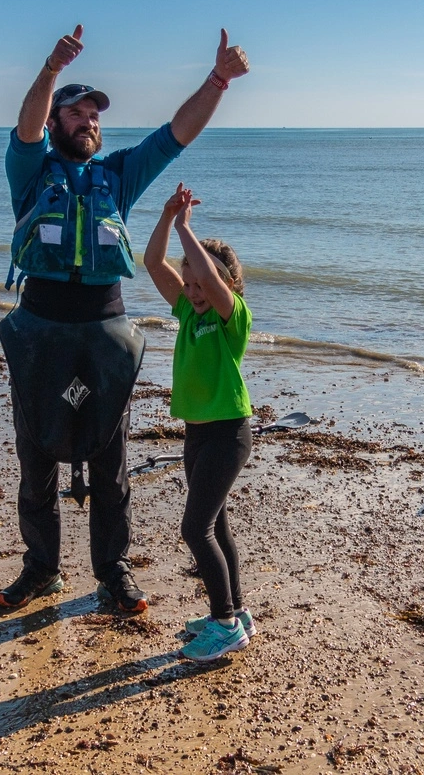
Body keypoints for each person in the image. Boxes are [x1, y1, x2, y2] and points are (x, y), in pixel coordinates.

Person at [0, 25, 250, 615]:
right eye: (77, 113)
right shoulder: (30, 171)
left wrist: (219, 80)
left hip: (103, 332)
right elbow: (27, 125)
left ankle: (112, 570)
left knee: (109, 463)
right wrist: (52, 67)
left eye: (94, 115)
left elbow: (175, 136)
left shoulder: (117, 176)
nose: (88, 121)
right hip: (40, 330)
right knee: (36, 459)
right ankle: (41, 568)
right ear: (57, 122)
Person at [143, 183, 255, 661]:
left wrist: (189, 229)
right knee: (217, 524)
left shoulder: (233, 315)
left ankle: (225, 623)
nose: (193, 291)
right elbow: (152, 263)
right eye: (188, 285)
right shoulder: (188, 310)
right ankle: (237, 612)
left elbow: (209, 278)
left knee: (195, 528)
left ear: (226, 283)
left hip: (230, 432)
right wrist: (169, 217)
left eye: (201, 284)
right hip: (197, 432)